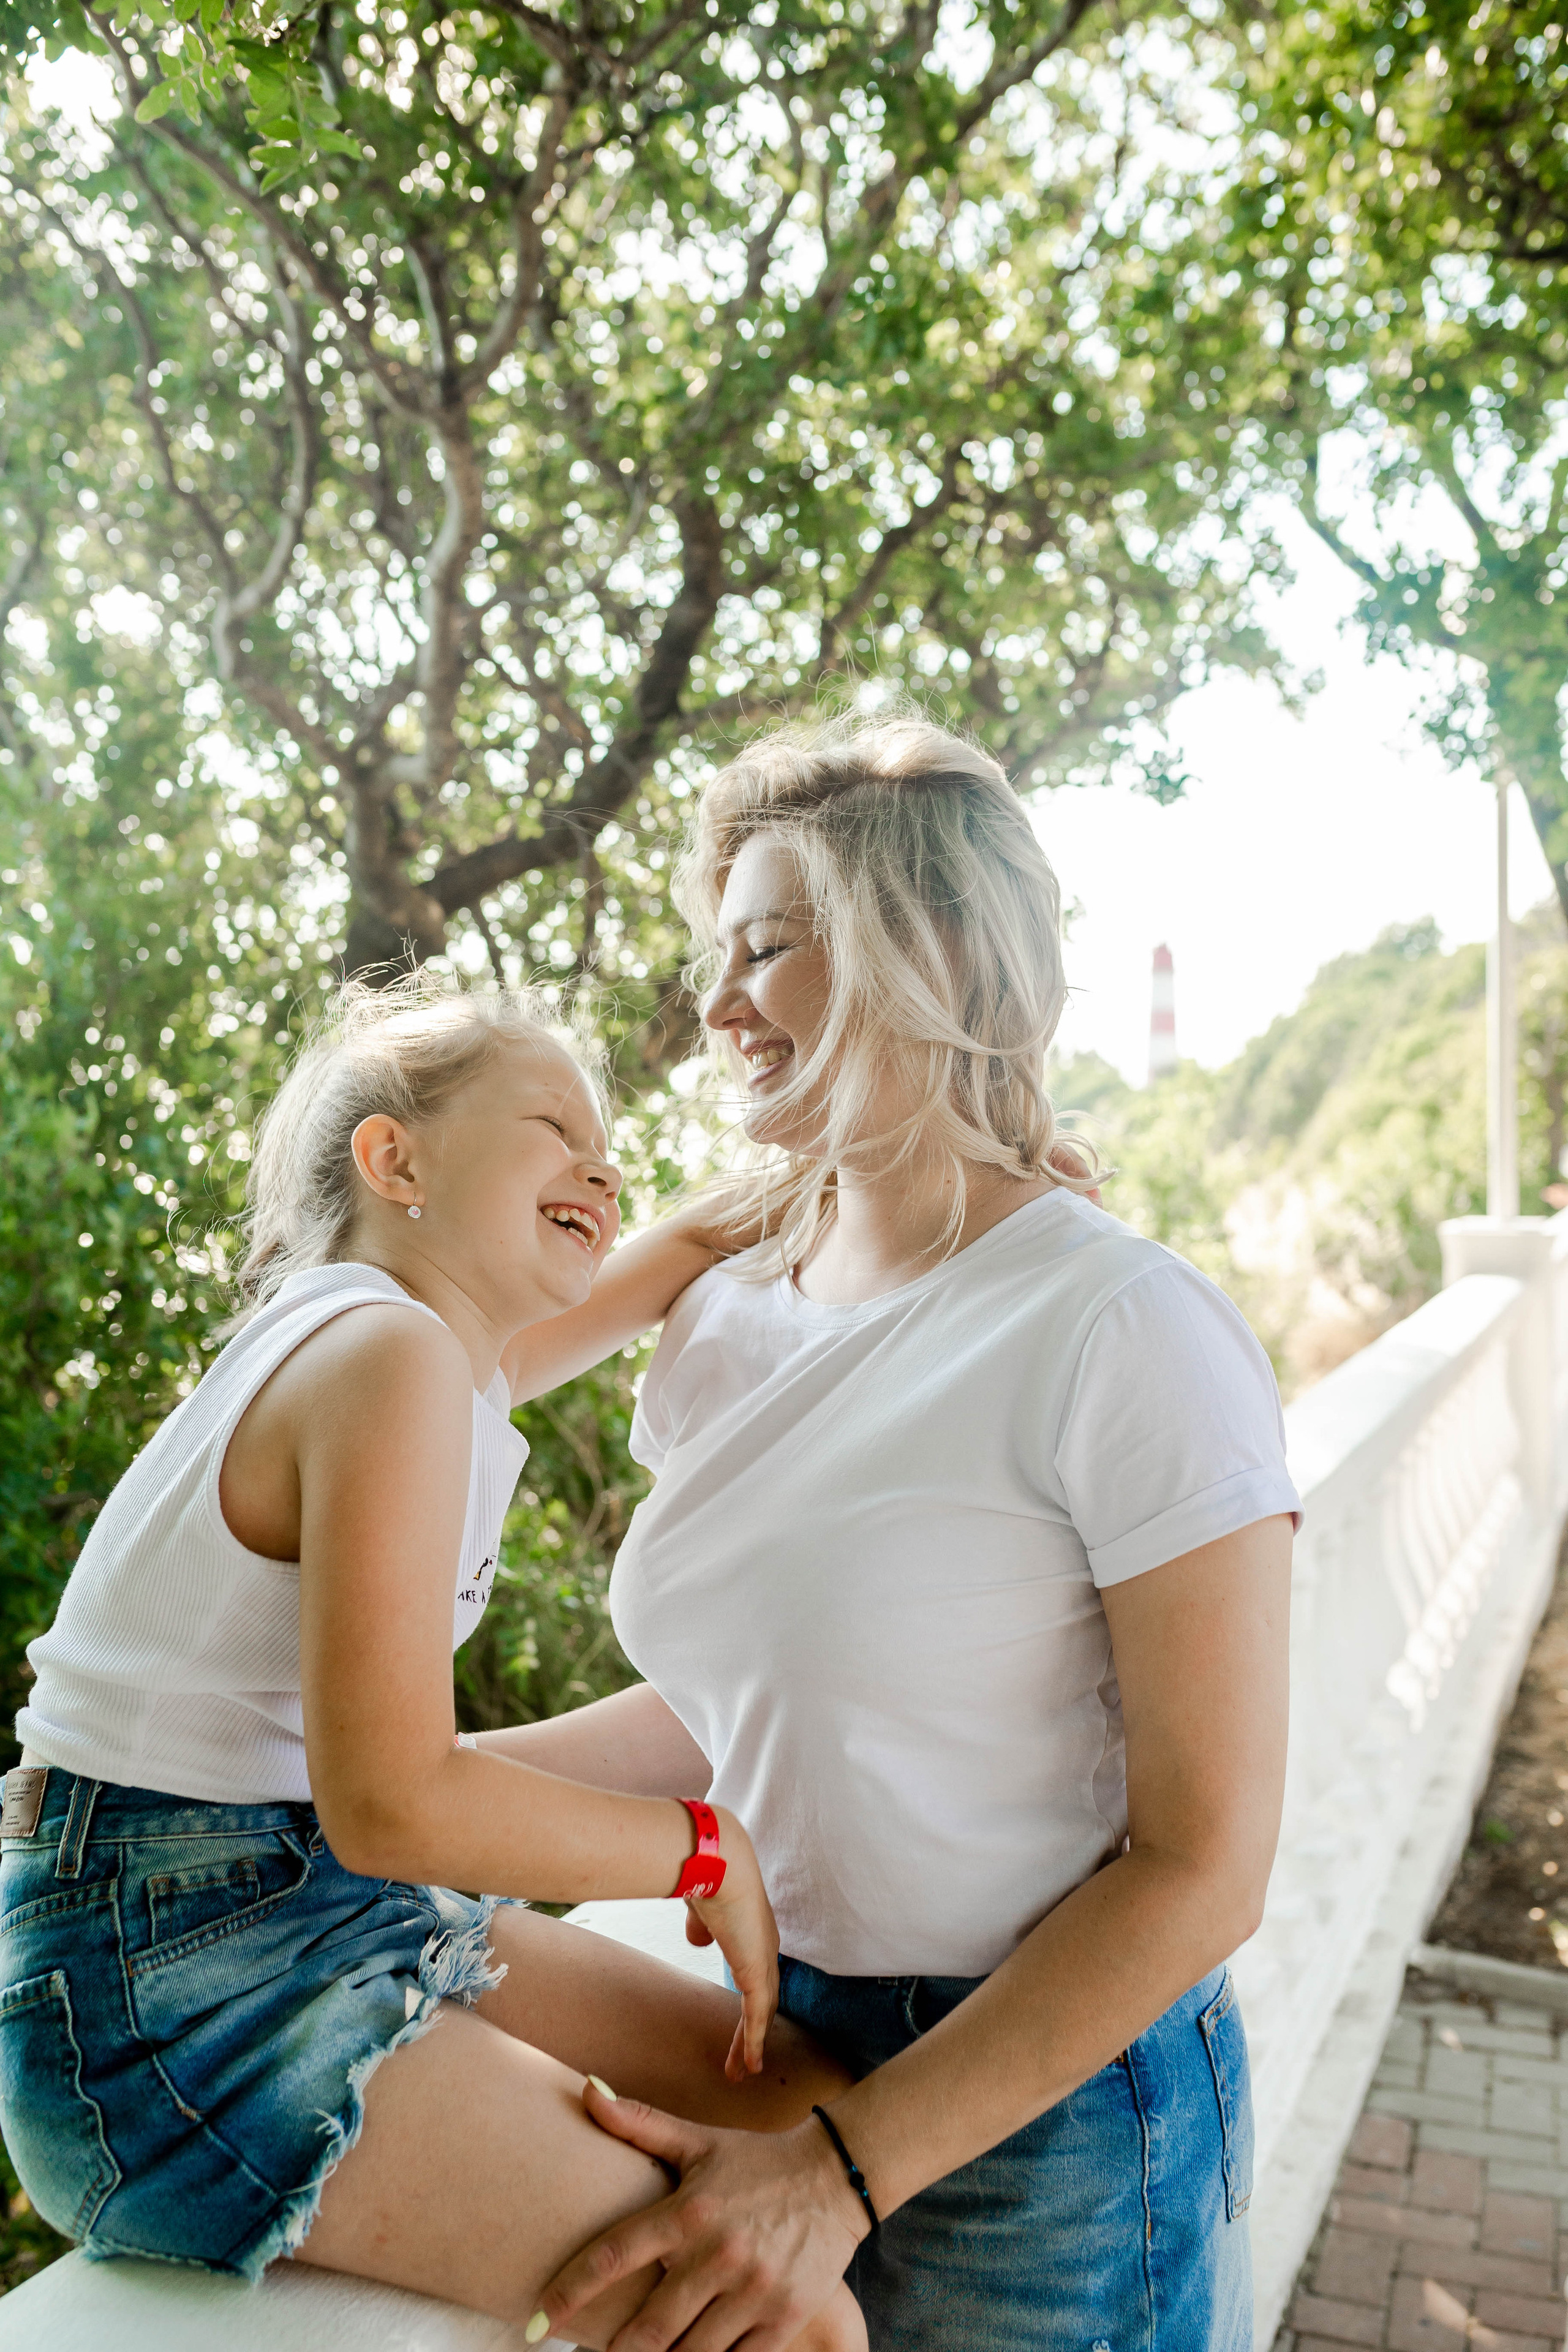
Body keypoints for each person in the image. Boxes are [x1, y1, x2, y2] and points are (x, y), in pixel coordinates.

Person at [508, 715, 1302, 2352]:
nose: (716, 1003)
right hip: (762, 2036)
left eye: (770, 949)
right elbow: (746, 1707)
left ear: (938, 951)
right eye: (709, 954)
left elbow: (1205, 1866)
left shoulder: (1119, 1327)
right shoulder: (725, 1322)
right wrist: (393, 1785)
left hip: (1051, 2122)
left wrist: (840, 2176)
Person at [0, 981, 867, 2352]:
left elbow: (694, 1235)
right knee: (775, 2314)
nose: (599, 1163)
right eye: (548, 1124)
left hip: (273, 1907)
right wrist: (702, 1850)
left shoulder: (419, 1352)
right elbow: (395, 1803)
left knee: (816, 2115)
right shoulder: (382, 1355)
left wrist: (953, 1151)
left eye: (604, 1141)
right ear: (395, 1162)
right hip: (167, 2003)